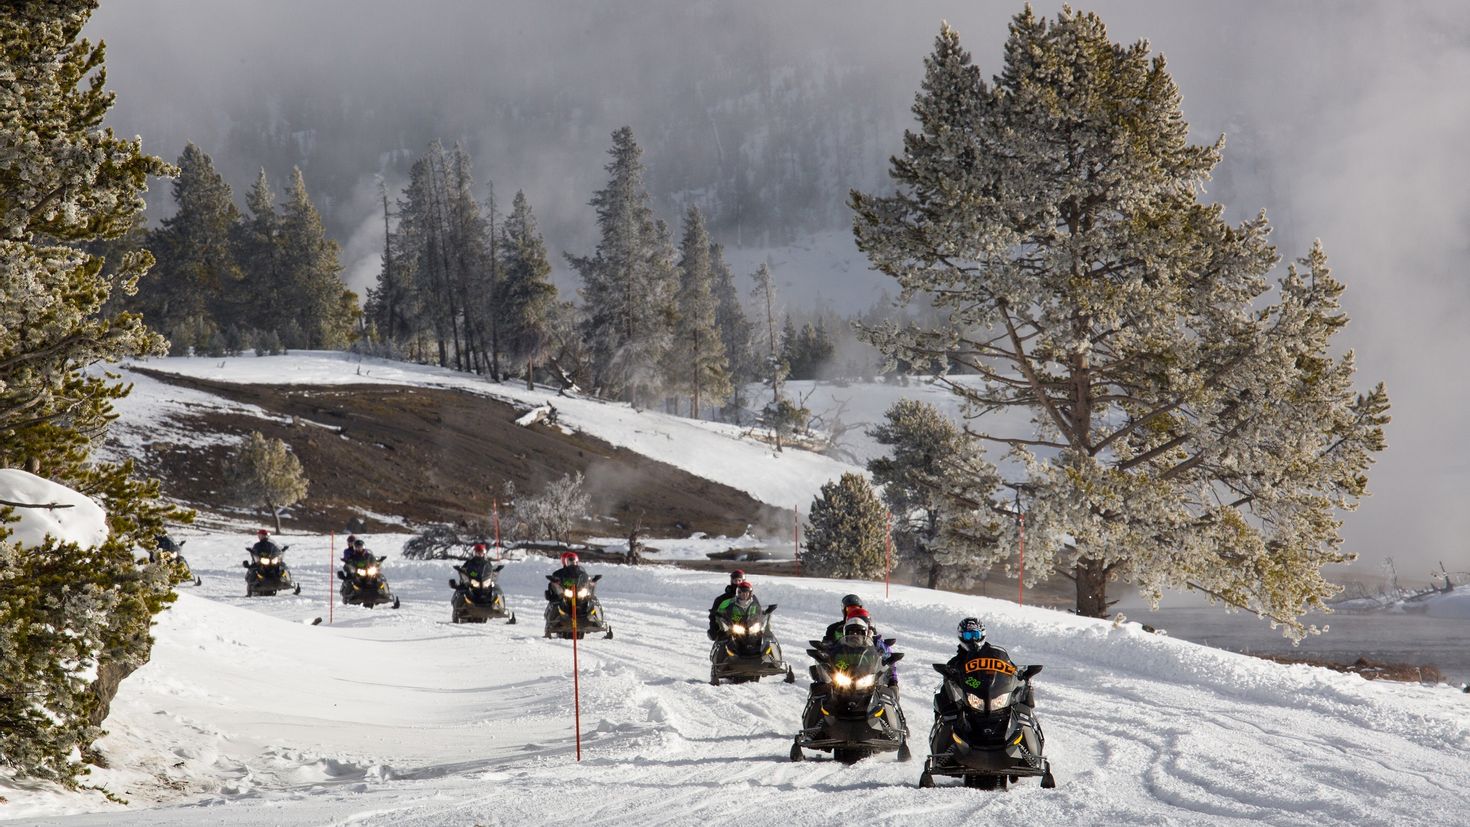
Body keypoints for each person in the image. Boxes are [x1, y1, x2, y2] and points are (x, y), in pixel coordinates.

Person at [822, 594, 898, 685]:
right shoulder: (834, 628)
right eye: (849, 609)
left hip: (865, 670)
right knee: (823, 681)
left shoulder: (870, 631)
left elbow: (876, 647)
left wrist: (884, 650)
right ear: (844, 610)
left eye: (856, 609)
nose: (853, 612)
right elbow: (827, 646)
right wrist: (825, 648)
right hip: (841, 667)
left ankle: (890, 681)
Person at [707, 569, 746, 639]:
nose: (737, 583)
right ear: (731, 581)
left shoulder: (748, 597)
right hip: (728, 627)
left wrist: (763, 613)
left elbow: (755, 608)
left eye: (739, 581)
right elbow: (713, 615)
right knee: (722, 639)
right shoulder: (722, 599)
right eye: (735, 580)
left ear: (743, 581)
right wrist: (713, 628)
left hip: (745, 626)